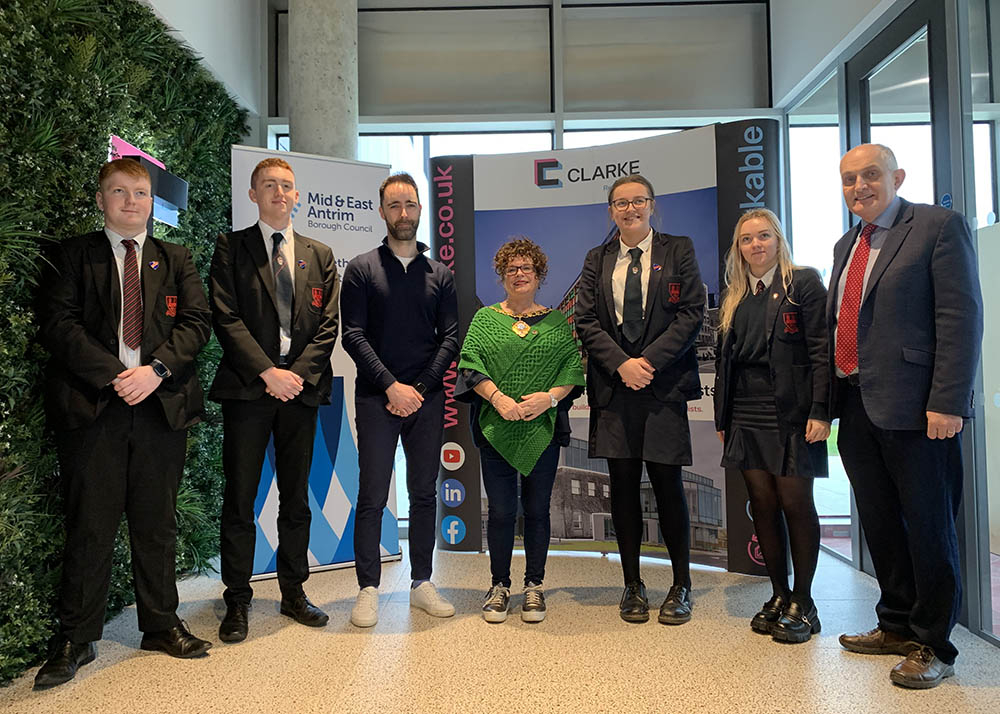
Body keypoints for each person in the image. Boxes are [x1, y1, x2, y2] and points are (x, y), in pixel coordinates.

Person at [34, 158, 213, 689]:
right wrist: (118, 376)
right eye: (120, 191)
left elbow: (197, 323)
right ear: (101, 199)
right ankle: (76, 637)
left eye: (140, 192)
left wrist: (154, 371)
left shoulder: (175, 258)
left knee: (157, 523)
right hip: (95, 407)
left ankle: (159, 625)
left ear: (151, 200)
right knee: (90, 524)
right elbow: (58, 325)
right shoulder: (71, 256)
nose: (131, 201)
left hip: (161, 406)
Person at [830, 144, 983, 688]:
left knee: (929, 527)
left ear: (896, 176)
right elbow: (839, 328)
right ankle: (895, 624)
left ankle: (934, 643)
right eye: (849, 180)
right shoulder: (847, 243)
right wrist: (827, 408)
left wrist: (948, 400)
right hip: (857, 408)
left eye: (870, 175)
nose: (859, 187)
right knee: (880, 524)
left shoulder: (938, 227)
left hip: (921, 410)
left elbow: (960, 318)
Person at [209, 157, 340, 643]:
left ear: (298, 195)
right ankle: (237, 601)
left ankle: (293, 593)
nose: (279, 193)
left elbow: (328, 326)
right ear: (253, 194)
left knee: (296, 499)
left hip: (300, 394)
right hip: (248, 391)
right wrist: (267, 373)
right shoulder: (231, 247)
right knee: (240, 499)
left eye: (286, 186)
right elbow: (224, 315)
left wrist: (295, 377)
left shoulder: (319, 253)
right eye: (269, 185)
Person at [574, 174, 705, 625]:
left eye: (638, 201)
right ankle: (632, 584)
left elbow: (691, 313)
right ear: (610, 211)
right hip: (615, 390)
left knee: (669, 488)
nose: (630, 209)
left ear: (652, 205)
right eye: (620, 203)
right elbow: (586, 319)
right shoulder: (598, 258)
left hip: (663, 386)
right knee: (623, 489)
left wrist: (646, 362)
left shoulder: (678, 249)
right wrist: (621, 365)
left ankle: (681, 585)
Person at [341, 172, 459, 628]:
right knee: (371, 495)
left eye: (410, 204)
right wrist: (391, 386)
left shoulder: (440, 274)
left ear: (420, 210)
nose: (403, 213)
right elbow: (353, 335)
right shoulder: (362, 268)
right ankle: (367, 588)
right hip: (376, 397)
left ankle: (422, 582)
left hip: (426, 399)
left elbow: (450, 338)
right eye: (394, 205)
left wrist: (420, 389)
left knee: (424, 493)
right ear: (382, 210)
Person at [714, 209, 829, 643]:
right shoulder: (735, 295)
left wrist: (821, 411)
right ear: (738, 249)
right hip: (746, 412)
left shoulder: (804, 283)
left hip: (792, 413)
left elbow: (821, 350)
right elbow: (727, 364)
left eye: (764, 236)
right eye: (747, 239)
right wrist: (724, 417)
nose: (756, 245)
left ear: (778, 240)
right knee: (761, 504)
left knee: (796, 503)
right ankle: (779, 593)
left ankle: (805, 600)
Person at [456, 237, 585, 623]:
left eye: (526, 268)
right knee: (500, 510)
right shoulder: (485, 320)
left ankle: (534, 586)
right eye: (511, 268)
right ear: (502, 275)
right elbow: (470, 365)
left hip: (542, 429)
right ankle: (499, 586)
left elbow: (572, 371)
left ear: (538, 274)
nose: (519, 274)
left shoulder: (557, 322)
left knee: (537, 510)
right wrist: (498, 400)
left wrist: (548, 399)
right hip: (497, 426)